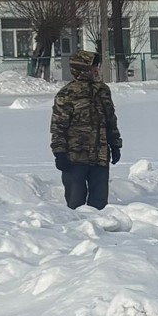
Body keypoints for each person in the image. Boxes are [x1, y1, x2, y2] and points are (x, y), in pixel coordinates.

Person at [50, 44, 122, 209]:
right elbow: (58, 127)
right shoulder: (66, 94)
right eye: (92, 67)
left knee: (99, 204)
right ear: (82, 70)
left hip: (100, 156)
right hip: (75, 157)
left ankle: (99, 233)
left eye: (96, 67)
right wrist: (59, 153)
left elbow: (111, 120)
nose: (96, 70)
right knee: (76, 203)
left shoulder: (103, 90)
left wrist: (115, 144)